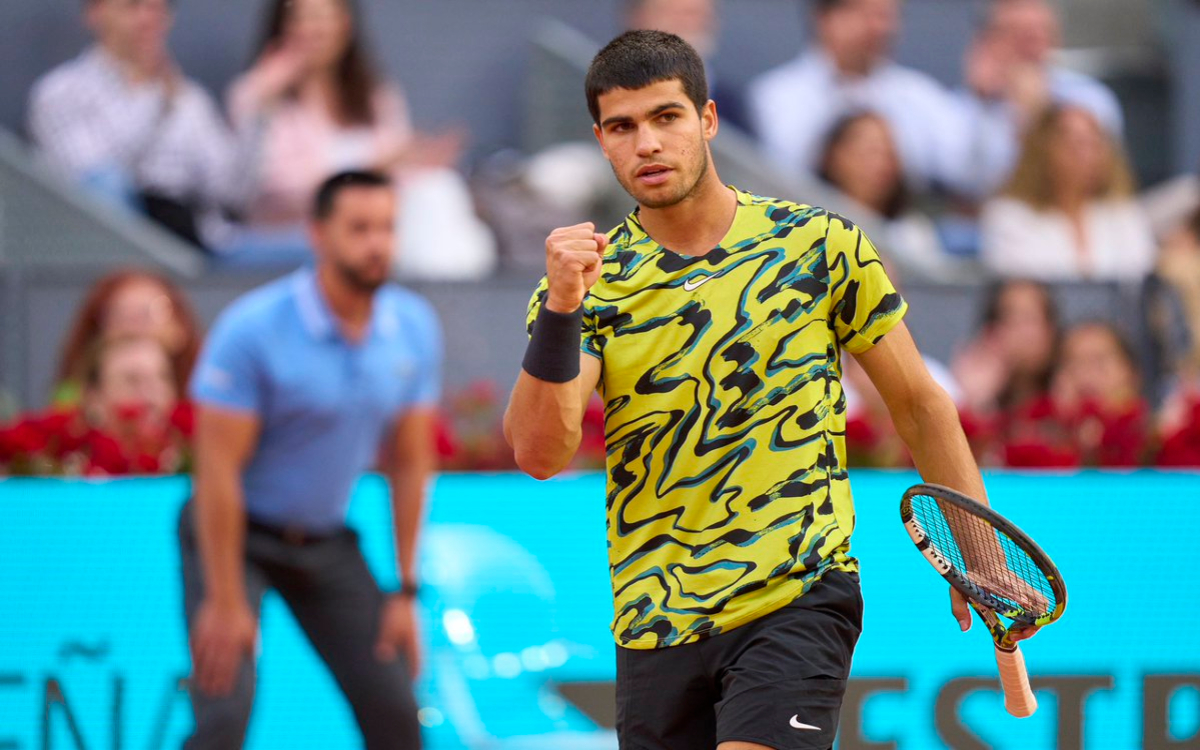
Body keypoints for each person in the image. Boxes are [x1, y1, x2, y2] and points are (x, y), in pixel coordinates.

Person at [504, 30, 1034, 750]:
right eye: (623, 127)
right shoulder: (587, 287)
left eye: (667, 117)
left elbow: (919, 402)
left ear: (709, 120)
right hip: (655, 620)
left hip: (797, 595)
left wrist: (979, 552)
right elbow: (540, 451)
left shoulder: (820, 244)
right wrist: (564, 307)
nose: (648, 144)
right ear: (601, 141)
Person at [181, 171, 441, 748]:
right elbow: (217, 471)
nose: (377, 243)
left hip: (324, 542)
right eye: (359, 228)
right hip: (234, 535)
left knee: (398, 714)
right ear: (318, 233)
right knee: (225, 710)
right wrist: (224, 600)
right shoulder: (252, 329)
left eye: (388, 228)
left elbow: (410, 464)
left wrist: (404, 590)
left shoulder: (414, 327)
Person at [27, 0, 249, 248]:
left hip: (197, 244)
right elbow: (93, 191)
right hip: (107, 250)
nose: (149, 19)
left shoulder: (189, 96)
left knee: (292, 251)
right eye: (133, 6)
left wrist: (254, 104)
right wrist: (154, 103)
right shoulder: (61, 92)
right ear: (94, 13)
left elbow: (230, 191)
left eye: (159, 8)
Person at [227, 0, 461, 231]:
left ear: (346, 25)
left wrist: (421, 162)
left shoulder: (374, 94)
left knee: (439, 189)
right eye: (303, 17)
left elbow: (396, 171)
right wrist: (370, 169)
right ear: (282, 25)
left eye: (325, 17)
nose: (315, 29)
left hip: (372, 228)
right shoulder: (260, 93)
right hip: (297, 234)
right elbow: (272, 190)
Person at [746, 0, 965, 189]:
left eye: (888, 15)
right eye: (866, 13)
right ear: (825, 18)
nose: (881, 28)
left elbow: (964, 171)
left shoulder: (920, 96)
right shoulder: (775, 97)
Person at [952, 0, 1125, 197]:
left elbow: (1103, 179)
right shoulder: (966, 107)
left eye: (1041, 31)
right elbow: (967, 187)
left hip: (1088, 216)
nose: (1032, 46)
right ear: (988, 41)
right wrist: (982, 101)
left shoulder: (1089, 98)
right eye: (1019, 35)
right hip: (1000, 220)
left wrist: (1038, 112)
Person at [980, 105, 1155, 282]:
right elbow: (1020, 289)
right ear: (1044, 149)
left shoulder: (1124, 215)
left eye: (1095, 144)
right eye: (1076, 144)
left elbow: (1140, 281)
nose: (1088, 156)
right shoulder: (1008, 217)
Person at [815, 111, 963, 282]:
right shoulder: (810, 229)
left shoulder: (913, 232)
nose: (880, 164)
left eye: (888, 153)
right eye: (869, 152)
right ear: (834, 156)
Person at [53, 268, 201, 409]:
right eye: (120, 314)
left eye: (151, 311)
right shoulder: (72, 388)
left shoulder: (204, 387)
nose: (135, 326)